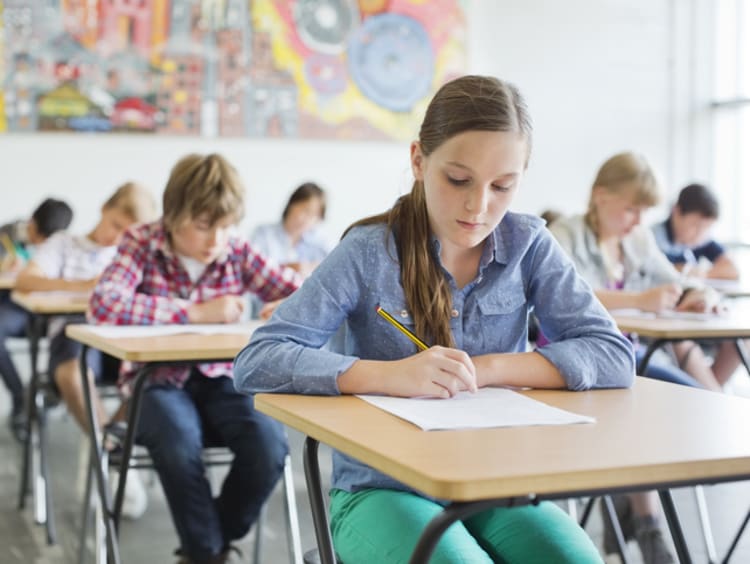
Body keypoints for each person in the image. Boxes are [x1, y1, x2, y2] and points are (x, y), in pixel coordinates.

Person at [234, 75, 634, 564]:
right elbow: (257, 361)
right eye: (458, 179)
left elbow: (613, 353)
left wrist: (484, 368)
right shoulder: (367, 253)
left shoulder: (529, 246)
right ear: (419, 161)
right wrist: (387, 376)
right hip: (382, 490)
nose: (478, 205)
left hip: (496, 481)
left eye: (503, 186)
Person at [88, 153, 302, 564]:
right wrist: (192, 312)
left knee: (270, 447)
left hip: (226, 377)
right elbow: (104, 304)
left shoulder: (236, 250)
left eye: (225, 227)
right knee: (178, 444)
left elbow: (304, 291)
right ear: (172, 216)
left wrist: (291, 307)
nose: (215, 240)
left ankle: (206, 549)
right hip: (156, 382)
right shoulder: (141, 242)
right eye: (204, 227)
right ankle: (210, 554)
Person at [547, 152, 738, 564]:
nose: (637, 220)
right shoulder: (564, 235)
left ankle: (634, 507)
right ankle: (644, 518)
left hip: (628, 358)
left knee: (689, 403)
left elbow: (674, 281)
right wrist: (639, 299)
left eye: (644, 211)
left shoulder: (636, 240)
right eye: (631, 208)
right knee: (660, 404)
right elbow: (562, 299)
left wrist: (698, 294)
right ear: (600, 195)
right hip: (580, 360)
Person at [15, 183, 156, 519]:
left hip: (120, 331)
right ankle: (114, 452)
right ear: (105, 208)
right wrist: (85, 287)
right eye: (117, 225)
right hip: (73, 329)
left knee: (158, 375)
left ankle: (112, 449)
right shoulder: (64, 245)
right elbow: (26, 281)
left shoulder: (133, 254)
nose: (117, 236)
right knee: (73, 375)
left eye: (128, 232)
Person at [0, 198, 73, 441]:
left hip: (53, 312)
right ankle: (21, 397)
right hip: (16, 308)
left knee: (70, 337)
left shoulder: (67, 246)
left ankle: (42, 393)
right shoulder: (7, 237)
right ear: (31, 225)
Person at [652, 183, 739, 280]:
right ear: (676, 212)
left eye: (706, 228)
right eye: (695, 225)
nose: (700, 234)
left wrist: (700, 273)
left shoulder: (701, 240)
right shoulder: (652, 240)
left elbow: (732, 270)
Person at [250, 181, 329, 277]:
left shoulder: (320, 244)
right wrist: (285, 269)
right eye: (304, 210)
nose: (305, 218)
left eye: (313, 215)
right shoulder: (264, 234)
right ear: (291, 205)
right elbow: (251, 270)